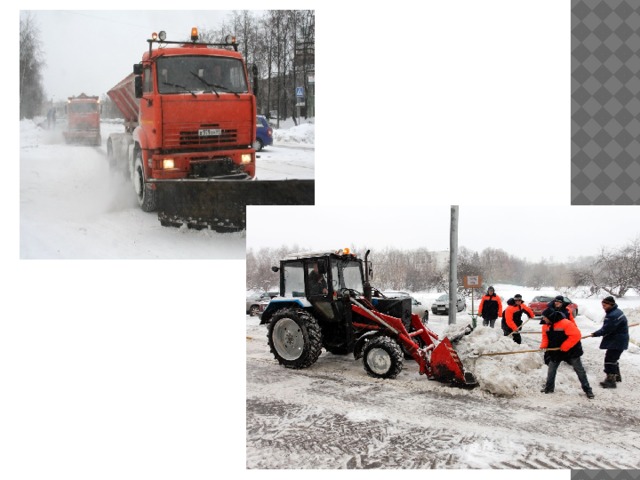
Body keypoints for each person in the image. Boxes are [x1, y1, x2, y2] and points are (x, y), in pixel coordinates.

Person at [540, 308, 594, 398]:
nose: (543, 319)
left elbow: (576, 335)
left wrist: (565, 346)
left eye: (545, 317)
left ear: (550, 317)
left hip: (571, 351)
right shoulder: (545, 326)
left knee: (579, 370)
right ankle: (549, 388)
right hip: (556, 351)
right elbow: (545, 337)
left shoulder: (566, 323)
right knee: (551, 369)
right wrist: (543, 346)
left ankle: (587, 389)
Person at [591, 296, 629, 388]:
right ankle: (617, 376)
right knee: (613, 358)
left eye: (605, 305)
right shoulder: (617, 312)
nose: (603, 307)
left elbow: (606, 329)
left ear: (611, 304)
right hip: (620, 339)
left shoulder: (613, 315)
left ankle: (610, 381)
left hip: (616, 341)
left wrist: (595, 334)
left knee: (610, 360)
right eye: (602, 305)